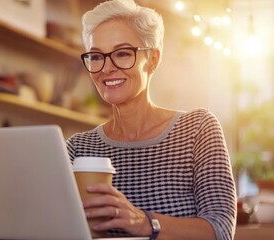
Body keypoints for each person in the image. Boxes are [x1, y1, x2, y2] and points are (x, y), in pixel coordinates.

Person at [66, 0, 237, 239]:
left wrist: (145, 222)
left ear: (153, 60)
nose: (106, 68)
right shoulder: (78, 148)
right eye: (96, 56)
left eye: (122, 53)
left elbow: (220, 229)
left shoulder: (198, 129)